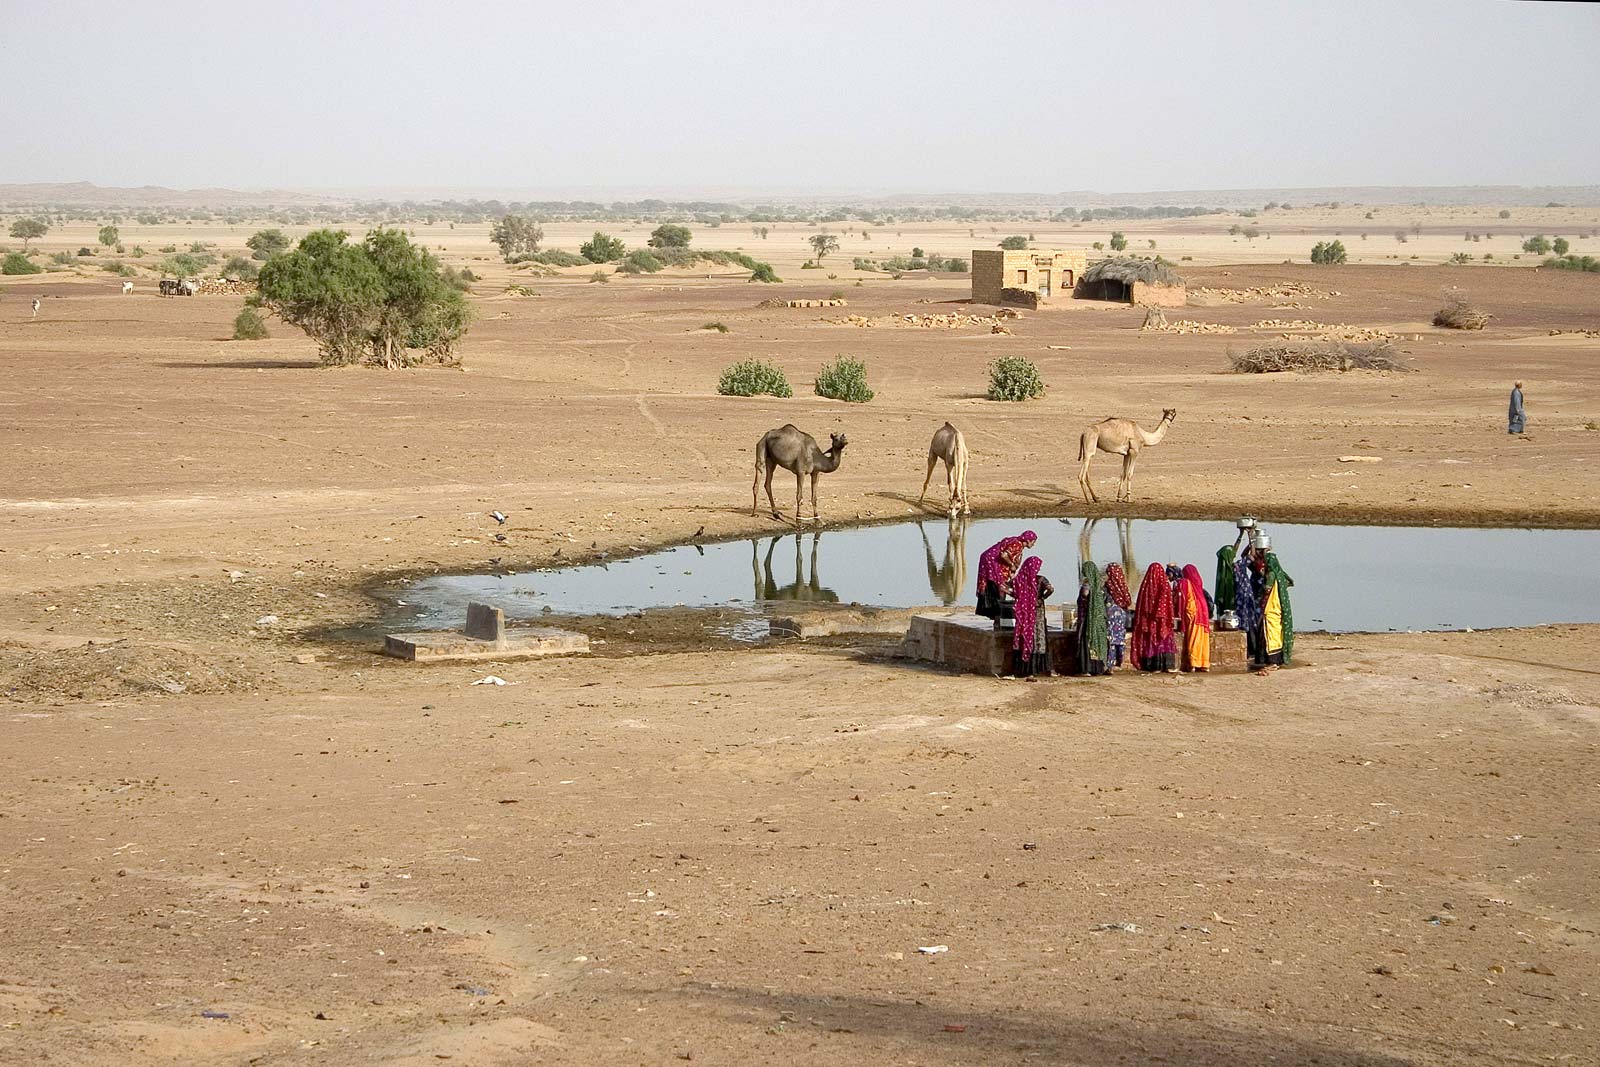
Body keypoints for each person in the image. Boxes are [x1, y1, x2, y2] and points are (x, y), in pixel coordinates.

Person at [975, 530, 1037, 625]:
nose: (1033, 544)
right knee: (999, 588)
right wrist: (1011, 564)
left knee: (1000, 587)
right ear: (1028, 540)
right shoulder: (1017, 544)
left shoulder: (1017, 544)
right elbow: (1004, 555)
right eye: (1033, 542)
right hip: (991, 563)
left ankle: (997, 617)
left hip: (991, 563)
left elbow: (1013, 564)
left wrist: (1012, 573)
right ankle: (998, 616)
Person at [1011, 556, 1054, 678]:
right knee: (1038, 637)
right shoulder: (1040, 579)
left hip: (1024, 615)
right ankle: (1038, 669)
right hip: (1037, 613)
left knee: (1025, 637)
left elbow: (1009, 589)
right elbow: (1051, 589)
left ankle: (1025, 669)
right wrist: (1041, 599)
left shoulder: (1020, 580)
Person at [1131, 562, 1177, 673]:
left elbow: (1142, 606)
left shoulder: (1146, 587)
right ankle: (1167, 665)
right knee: (1163, 640)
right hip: (1163, 621)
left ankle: (1154, 665)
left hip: (1150, 621)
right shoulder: (1164, 585)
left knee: (1153, 640)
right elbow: (1168, 604)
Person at [1259, 550, 1295, 668]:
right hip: (1279, 607)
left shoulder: (1271, 575)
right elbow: (1290, 582)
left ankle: (1272, 661)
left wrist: (1262, 576)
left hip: (1271, 607)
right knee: (1278, 632)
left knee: (1270, 633)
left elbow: (1267, 589)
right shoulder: (1280, 574)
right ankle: (1278, 659)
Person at [1074, 560, 1108, 676]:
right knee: (1098, 643)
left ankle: (1086, 669)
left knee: (1087, 643)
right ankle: (1098, 668)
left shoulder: (1087, 584)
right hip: (1099, 621)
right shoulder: (1100, 585)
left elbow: (1085, 594)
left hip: (1088, 621)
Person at [1179, 564, 1212, 672]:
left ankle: (1194, 663)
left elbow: (1182, 598)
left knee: (1194, 637)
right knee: (1203, 638)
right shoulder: (1198, 585)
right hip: (1204, 611)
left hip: (1194, 612)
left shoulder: (1186, 583)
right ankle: (1204, 664)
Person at [1235, 548, 1264, 667]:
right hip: (1251, 605)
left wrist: (1250, 542)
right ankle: (1254, 650)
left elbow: (1246, 557)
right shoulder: (1255, 573)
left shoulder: (1243, 575)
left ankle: (1254, 650)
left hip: (1251, 604)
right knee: (1254, 626)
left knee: (1253, 627)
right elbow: (1246, 557)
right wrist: (1252, 543)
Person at [1103, 562, 1132, 670]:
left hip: (1110, 617)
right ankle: (1119, 662)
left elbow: (1103, 600)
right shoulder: (1123, 586)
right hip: (1122, 616)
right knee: (1120, 640)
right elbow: (1128, 601)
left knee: (1110, 641)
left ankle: (1110, 664)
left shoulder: (1108, 586)